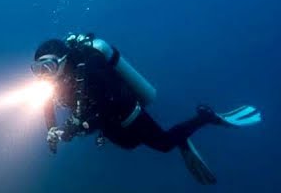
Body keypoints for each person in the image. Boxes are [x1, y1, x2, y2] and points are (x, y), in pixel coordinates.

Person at [33, 33, 260, 184]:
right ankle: (180, 133)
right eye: (39, 69)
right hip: (107, 123)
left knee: (163, 144)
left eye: (48, 66)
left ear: (62, 60)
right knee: (129, 144)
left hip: (127, 113)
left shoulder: (91, 68)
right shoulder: (57, 82)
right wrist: (52, 128)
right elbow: (47, 101)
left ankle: (205, 117)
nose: (44, 74)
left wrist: (76, 128)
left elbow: (107, 105)